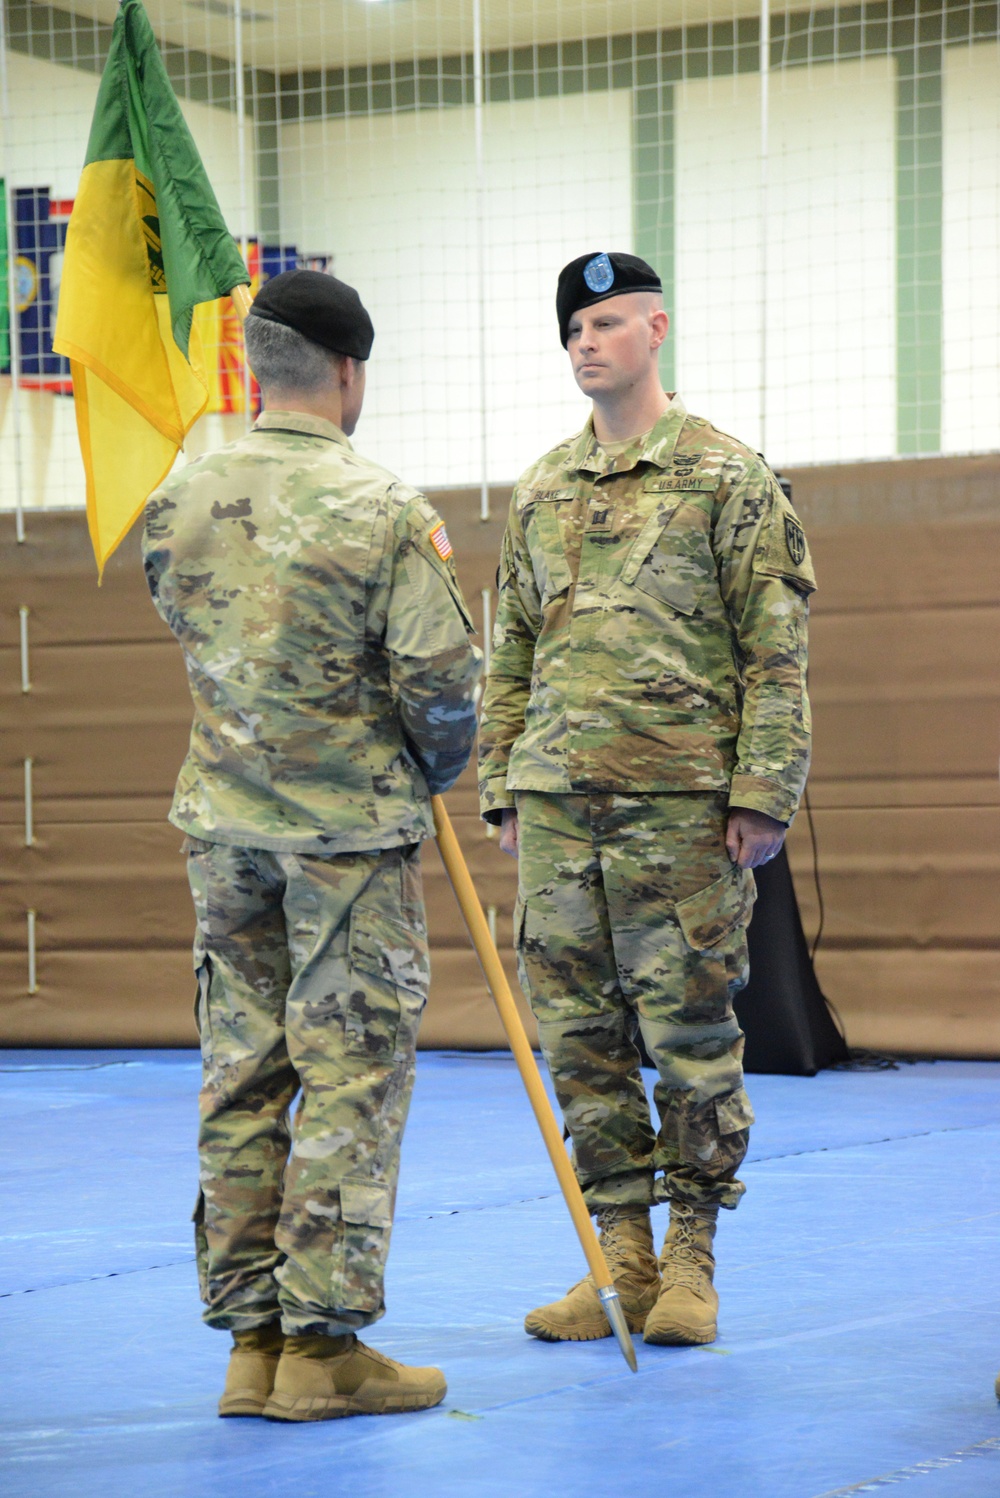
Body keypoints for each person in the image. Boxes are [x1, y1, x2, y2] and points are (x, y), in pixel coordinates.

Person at [143, 269, 481, 1421]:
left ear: (256, 370)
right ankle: (322, 1349)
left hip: (224, 828)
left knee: (241, 1073)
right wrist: (425, 767)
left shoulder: (179, 496)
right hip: (347, 839)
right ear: (349, 373)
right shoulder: (382, 508)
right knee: (348, 1073)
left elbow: (188, 624)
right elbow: (443, 685)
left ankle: (250, 1343)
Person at [479, 251, 815, 1349]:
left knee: (690, 1035)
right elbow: (511, 652)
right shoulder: (539, 488)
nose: (587, 341)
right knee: (579, 1039)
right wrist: (504, 786)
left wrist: (763, 792)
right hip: (559, 808)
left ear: (656, 330)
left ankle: (691, 1261)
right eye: (574, 325)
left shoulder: (727, 478)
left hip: (682, 811)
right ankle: (615, 1256)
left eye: (609, 322)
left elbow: (775, 654)